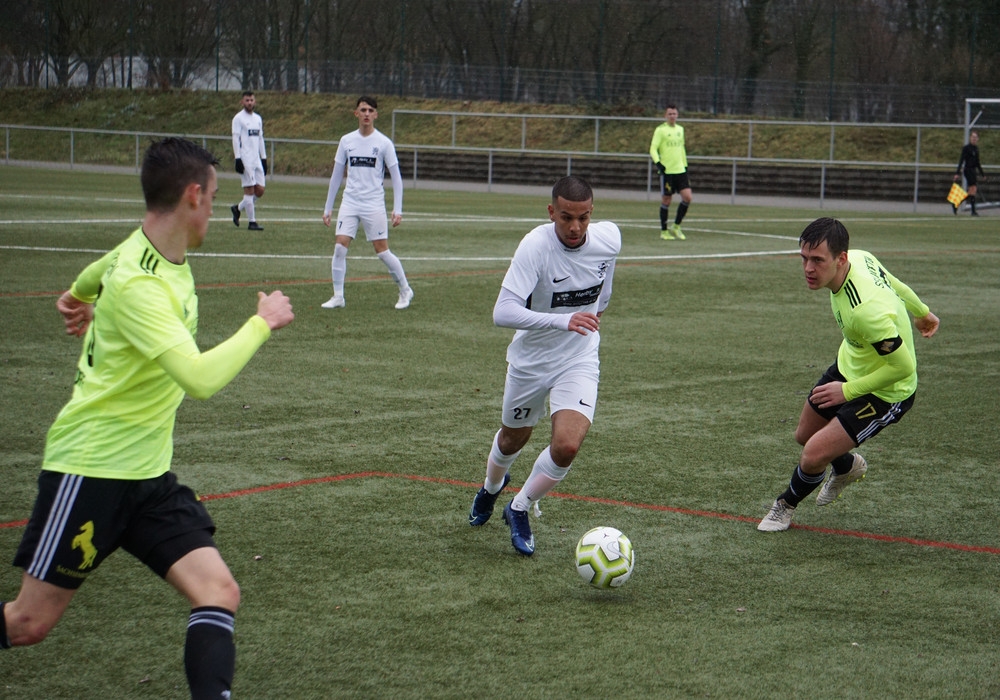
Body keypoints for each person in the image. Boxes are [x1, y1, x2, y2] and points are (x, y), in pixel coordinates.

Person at [0, 137, 295, 699]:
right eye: (214, 197)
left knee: (218, 591)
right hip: (91, 469)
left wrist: (77, 296)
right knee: (28, 624)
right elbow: (199, 378)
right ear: (193, 196)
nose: (215, 209)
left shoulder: (141, 254)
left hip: (147, 477)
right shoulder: (141, 284)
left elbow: (97, 271)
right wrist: (262, 322)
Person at [468, 176, 621, 556]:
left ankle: (519, 507)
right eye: (566, 217)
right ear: (551, 212)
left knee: (567, 445)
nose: (575, 227)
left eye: (583, 218)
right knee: (512, 438)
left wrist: (592, 315)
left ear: (592, 213)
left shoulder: (609, 239)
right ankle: (490, 488)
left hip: (578, 357)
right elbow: (503, 312)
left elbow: (605, 286)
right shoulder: (535, 246)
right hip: (531, 361)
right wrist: (563, 320)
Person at [758, 217, 940, 532]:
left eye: (818, 260)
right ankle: (846, 467)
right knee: (804, 435)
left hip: (887, 392)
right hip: (849, 366)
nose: (808, 268)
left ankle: (784, 506)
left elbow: (903, 367)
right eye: (804, 258)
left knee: (812, 454)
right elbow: (893, 283)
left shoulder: (865, 312)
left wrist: (847, 391)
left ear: (840, 258)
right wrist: (922, 312)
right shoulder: (860, 257)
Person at [321, 95, 413, 310]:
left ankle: (405, 289)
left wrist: (397, 209)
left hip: (374, 204)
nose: (366, 114)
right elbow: (336, 176)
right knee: (340, 247)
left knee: (382, 251)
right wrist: (328, 207)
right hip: (350, 202)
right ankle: (338, 296)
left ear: (376, 115)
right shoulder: (346, 141)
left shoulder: (384, 143)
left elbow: (396, 177)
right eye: (363, 110)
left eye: (371, 110)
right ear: (356, 113)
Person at [649, 104, 692, 240]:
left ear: (677, 115)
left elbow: (682, 149)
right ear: (665, 116)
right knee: (667, 200)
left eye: (674, 114)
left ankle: (676, 226)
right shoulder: (660, 130)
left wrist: (685, 165)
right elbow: (653, 148)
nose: (672, 116)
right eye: (670, 114)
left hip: (680, 170)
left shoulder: (680, 129)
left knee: (687, 197)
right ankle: (664, 231)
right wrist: (658, 164)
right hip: (667, 172)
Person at [230, 90, 267, 231]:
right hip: (245, 159)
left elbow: (260, 139)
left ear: (255, 101)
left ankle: (238, 208)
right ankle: (252, 222)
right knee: (249, 190)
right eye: (247, 100)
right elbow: (235, 138)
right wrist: (237, 158)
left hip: (256, 159)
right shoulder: (238, 118)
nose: (249, 103)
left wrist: (264, 158)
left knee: (260, 190)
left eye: (251, 100)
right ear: (242, 102)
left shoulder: (258, 118)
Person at [953, 131, 985, 216]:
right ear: (970, 138)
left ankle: (956, 203)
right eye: (973, 137)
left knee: (972, 191)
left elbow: (977, 163)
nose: (974, 139)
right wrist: (957, 173)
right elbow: (961, 160)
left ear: (977, 139)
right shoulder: (966, 148)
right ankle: (973, 211)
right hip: (968, 170)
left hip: (973, 171)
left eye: (975, 137)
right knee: (973, 189)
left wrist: (982, 174)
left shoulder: (976, 149)